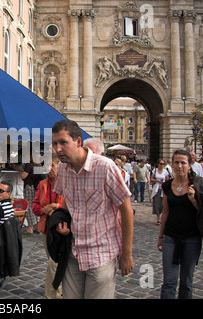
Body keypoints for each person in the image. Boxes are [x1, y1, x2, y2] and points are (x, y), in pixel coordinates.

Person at [51, 119, 133, 299]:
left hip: (100, 255)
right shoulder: (63, 169)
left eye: (63, 142)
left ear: (78, 141)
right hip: (73, 252)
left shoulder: (105, 167)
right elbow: (66, 201)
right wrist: (61, 221)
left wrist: (126, 253)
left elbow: (126, 210)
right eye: (55, 143)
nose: (58, 149)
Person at [157, 149, 203, 299]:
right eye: (176, 162)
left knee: (186, 281)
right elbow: (165, 212)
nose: (179, 166)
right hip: (171, 237)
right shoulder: (167, 186)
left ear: (189, 165)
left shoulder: (198, 183)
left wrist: (193, 200)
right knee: (169, 282)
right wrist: (161, 236)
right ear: (171, 164)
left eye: (183, 163)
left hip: (192, 237)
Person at [32, 153, 65, 299]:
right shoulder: (43, 184)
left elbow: (71, 204)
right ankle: (60, 288)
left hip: (63, 229)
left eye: (52, 165)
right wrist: (43, 210)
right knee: (54, 262)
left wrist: (56, 206)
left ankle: (51, 295)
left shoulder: (67, 183)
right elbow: (34, 207)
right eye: (47, 165)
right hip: (47, 229)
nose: (49, 168)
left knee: (53, 263)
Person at [151, 159, 170, 225]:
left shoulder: (165, 171)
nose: (162, 165)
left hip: (163, 189)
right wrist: (157, 180)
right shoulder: (155, 170)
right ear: (158, 164)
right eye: (161, 164)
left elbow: (167, 180)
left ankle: (162, 216)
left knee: (162, 204)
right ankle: (158, 218)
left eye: (163, 164)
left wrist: (164, 183)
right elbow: (152, 179)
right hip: (156, 189)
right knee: (156, 203)